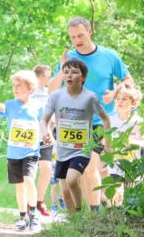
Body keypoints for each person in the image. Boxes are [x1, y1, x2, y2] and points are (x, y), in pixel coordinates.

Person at [48, 17, 133, 211]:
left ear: (90, 31)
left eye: (80, 35)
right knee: (79, 172)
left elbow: (129, 81)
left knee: (89, 166)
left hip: (99, 121)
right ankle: (93, 212)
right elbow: (51, 89)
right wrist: (63, 68)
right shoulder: (69, 57)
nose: (77, 40)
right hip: (73, 124)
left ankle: (95, 215)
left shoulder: (109, 56)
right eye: (72, 37)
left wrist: (116, 92)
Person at [41, 59, 113, 213]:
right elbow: (45, 119)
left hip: (82, 148)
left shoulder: (90, 97)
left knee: (72, 179)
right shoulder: (56, 96)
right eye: (66, 72)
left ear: (83, 78)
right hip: (63, 149)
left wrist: (107, 143)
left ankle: (80, 210)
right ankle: (74, 220)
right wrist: (45, 132)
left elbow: (106, 118)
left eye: (74, 72)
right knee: (65, 191)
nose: (69, 75)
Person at [0, 71, 45, 231]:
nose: (15, 88)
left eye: (19, 85)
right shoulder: (10, 105)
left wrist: (47, 135)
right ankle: (22, 216)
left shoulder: (38, 106)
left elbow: (43, 124)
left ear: (30, 88)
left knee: (29, 180)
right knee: (19, 185)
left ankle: (34, 215)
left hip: (31, 152)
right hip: (13, 153)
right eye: (14, 85)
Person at [105, 85, 144, 207]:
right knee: (115, 189)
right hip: (114, 163)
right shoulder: (110, 120)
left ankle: (122, 215)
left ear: (133, 103)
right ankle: (112, 215)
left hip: (132, 164)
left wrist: (131, 142)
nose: (120, 102)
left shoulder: (138, 121)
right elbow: (105, 141)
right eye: (118, 98)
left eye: (124, 99)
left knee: (128, 194)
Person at [31, 65, 55, 216]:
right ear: (39, 77)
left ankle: (40, 201)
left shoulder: (50, 93)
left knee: (46, 168)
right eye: (47, 76)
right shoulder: (29, 92)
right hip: (29, 137)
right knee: (29, 172)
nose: (49, 79)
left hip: (46, 136)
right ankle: (29, 202)